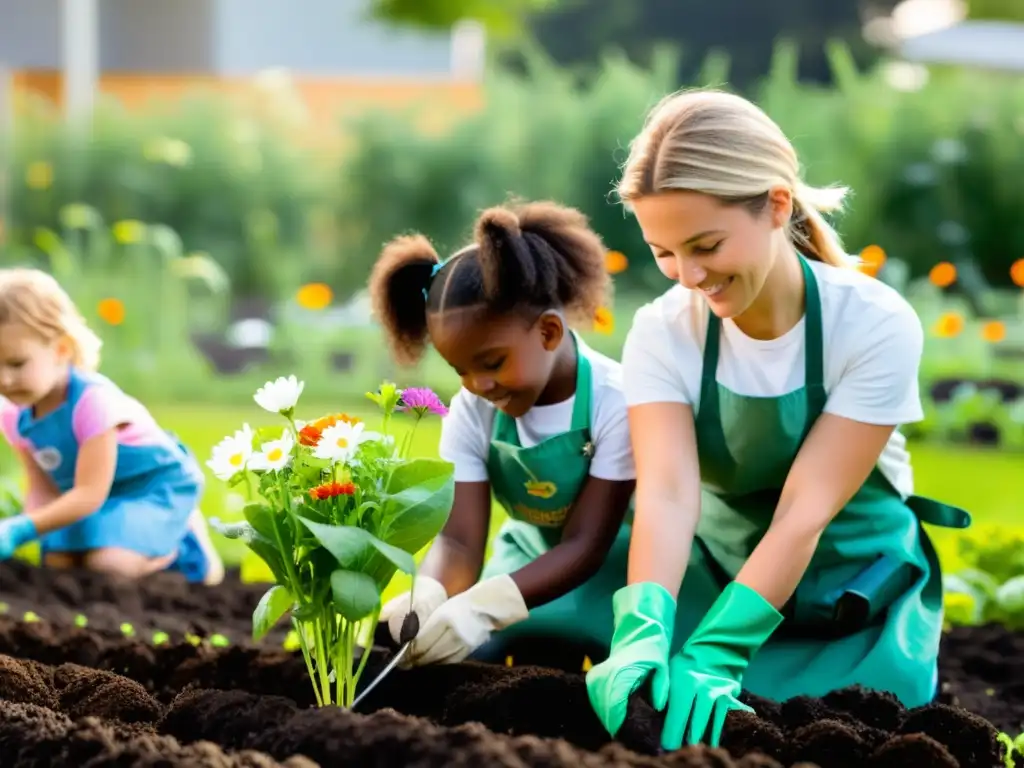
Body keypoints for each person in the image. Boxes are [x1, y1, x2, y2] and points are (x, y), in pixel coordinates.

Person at [584, 89, 971, 751]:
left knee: (870, 708)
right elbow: (669, 497)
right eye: (664, 251)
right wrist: (644, 626)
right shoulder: (662, 331)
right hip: (720, 565)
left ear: (777, 205)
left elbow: (803, 512)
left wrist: (718, 651)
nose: (688, 275)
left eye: (706, 244)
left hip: (847, 583)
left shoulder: (873, 324)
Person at [368, 201, 637, 666]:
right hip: (524, 568)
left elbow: (586, 545)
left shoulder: (617, 402)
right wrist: (430, 594)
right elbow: (459, 541)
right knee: (460, 663)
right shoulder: (474, 410)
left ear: (549, 332)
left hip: (621, 575)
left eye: (492, 363)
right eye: (460, 369)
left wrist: (483, 608)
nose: (476, 385)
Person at [0, 267, 224, 584]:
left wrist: (21, 528)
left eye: (16, 364)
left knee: (110, 567)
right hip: (91, 498)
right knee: (59, 565)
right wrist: (36, 536)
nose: (4, 379)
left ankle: (185, 544)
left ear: (61, 350)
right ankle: (127, 540)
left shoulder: (93, 403)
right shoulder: (13, 413)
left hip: (152, 489)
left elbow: (90, 493)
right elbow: (42, 488)